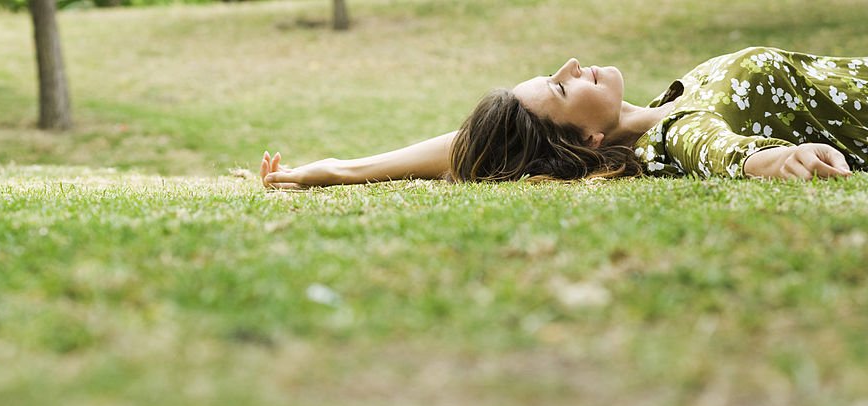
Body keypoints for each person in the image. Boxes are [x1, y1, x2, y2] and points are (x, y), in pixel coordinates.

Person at [260, 46, 866, 188]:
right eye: (562, 85)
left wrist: (341, 169)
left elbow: (471, 145)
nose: (575, 63)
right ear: (589, 138)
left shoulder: (669, 104)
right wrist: (774, 159)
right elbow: (716, 149)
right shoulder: (675, 132)